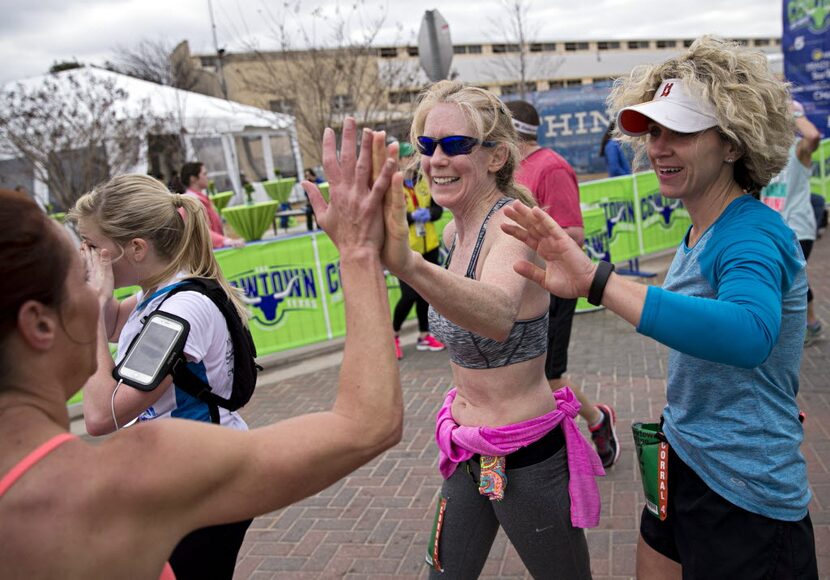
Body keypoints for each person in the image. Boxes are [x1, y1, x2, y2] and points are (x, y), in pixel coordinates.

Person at [0, 121, 402, 579]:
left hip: (199, 469)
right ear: (37, 324)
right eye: (78, 269)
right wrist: (358, 252)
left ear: (135, 247)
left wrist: (92, 309)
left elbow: (100, 411)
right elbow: (366, 424)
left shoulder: (178, 308)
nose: (92, 275)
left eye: (93, 250)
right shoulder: (131, 468)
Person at [501, 37, 818, 579]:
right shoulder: (702, 227)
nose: (659, 147)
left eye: (681, 131)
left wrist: (596, 282)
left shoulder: (753, 232)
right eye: (652, 131)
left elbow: (749, 333)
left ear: (733, 144)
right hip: (684, 459)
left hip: (746, 495)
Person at [375, 80, 602, 578]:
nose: (437, 158)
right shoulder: (454, 230)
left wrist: (407, 264)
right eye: (427, 145)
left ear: (497, 156)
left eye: (456, 145)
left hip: (526, 456)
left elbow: (498, 314)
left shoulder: (514, 225)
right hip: (464, 444)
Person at [506, 99, 620, 469]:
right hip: (521, 290)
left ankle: (595, 421)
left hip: (554, 287)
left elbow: (574, 234)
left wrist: (528, 241)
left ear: (513, 132)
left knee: (550, 379)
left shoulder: (551, 167)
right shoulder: (511, 171)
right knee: (526, 378)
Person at [760, 100, 823, 346]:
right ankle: (811, 323)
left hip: (798, 227)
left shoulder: (799, 150)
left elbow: (813, 135)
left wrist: (793, 112)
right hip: (772, 228)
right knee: (789, 278)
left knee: (784, 276)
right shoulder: (764, 154)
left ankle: (794, 328)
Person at [391, 141, 446, 359]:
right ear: (399, 160)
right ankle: (393, 334)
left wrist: (427, 214)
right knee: (409, 295)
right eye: (407, 157)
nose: (412, 161)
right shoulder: (393, 186)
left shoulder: (423, 181)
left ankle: (425, 334)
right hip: (406, 249)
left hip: (429, 244)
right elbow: (391, 217)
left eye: (414, 156)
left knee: (427, 293)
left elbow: (437, 209)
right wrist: (411, 218)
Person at [178, 161, 244, 249]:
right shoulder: (190, 203)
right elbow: (199, 232)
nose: (207, 177)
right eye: (204, 174)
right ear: (193, 178)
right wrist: (226, 241)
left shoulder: (200, 199)